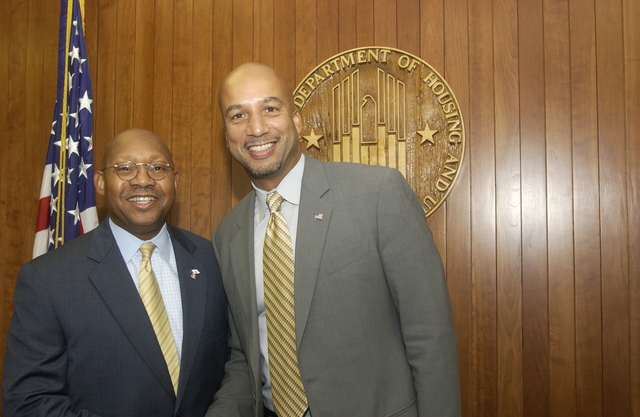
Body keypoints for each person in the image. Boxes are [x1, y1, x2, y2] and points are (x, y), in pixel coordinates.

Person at [207, 62, 461, 417]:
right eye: (238, 115)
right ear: (227, 134)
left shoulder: (377, 194)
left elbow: (429, 335)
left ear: (295, 120)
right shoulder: (226, 236)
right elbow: (244, 355)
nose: (256, 128)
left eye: (269, 108)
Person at [3, 128, 229, 417]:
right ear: (99, 182)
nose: (143, 180)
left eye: (157, 168)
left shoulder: (212, 261)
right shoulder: (47, 279)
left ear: (175, 181)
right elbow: (29, 402)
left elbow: (235, 363)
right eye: (125, 168)